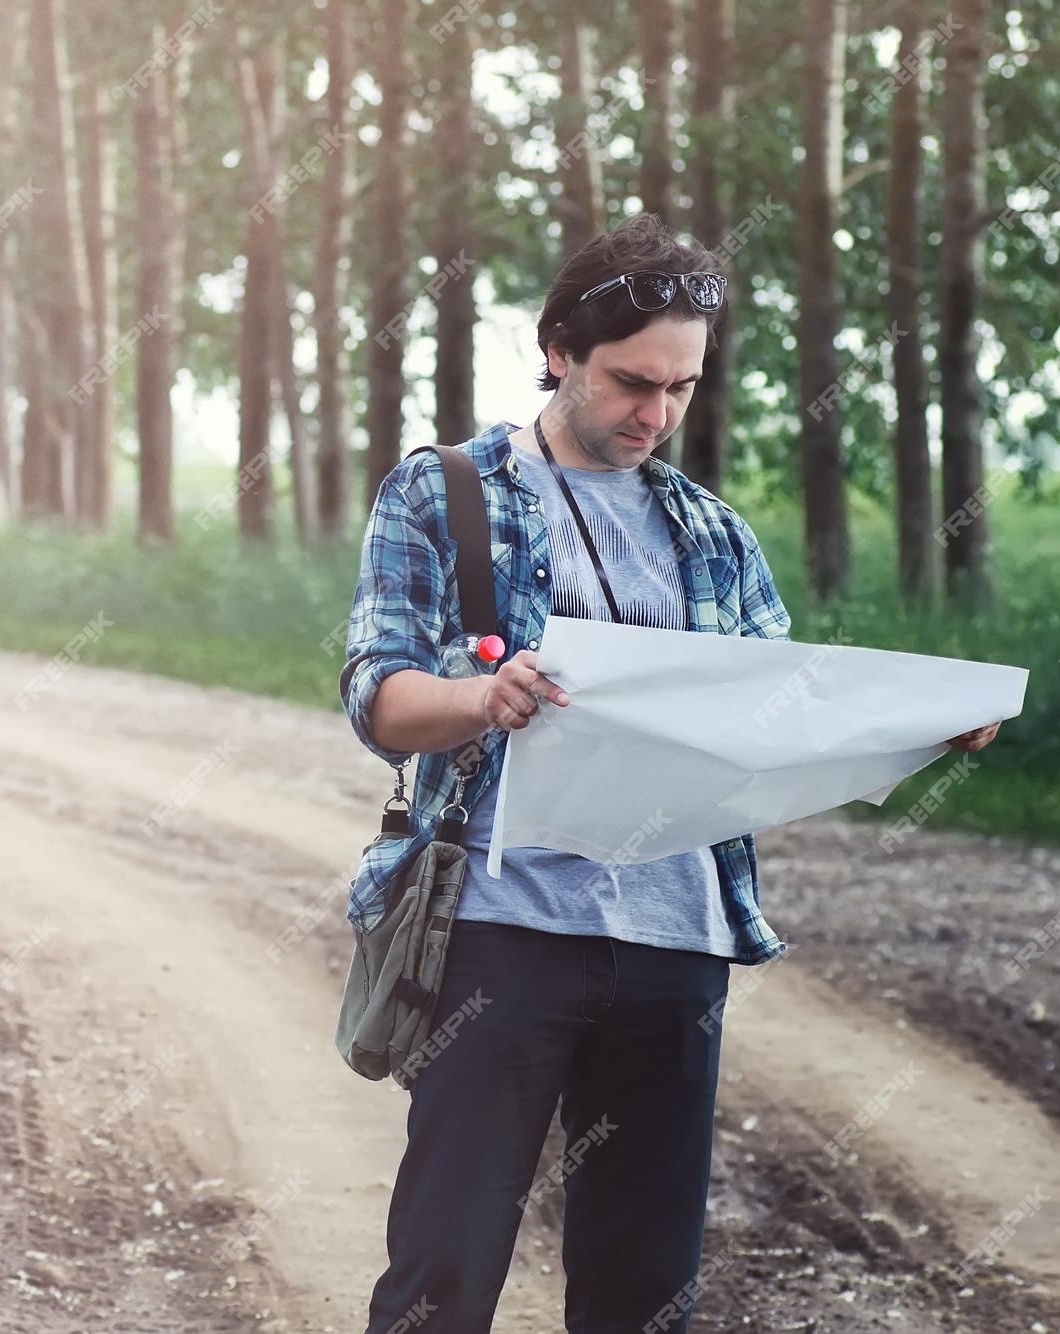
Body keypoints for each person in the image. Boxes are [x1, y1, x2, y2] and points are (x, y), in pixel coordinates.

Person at [337, 213, 1003, 1334]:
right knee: (440, 1274)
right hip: (501, 930)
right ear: (556, 349)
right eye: (628, 382)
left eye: (680, 387)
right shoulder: (445, 491)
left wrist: (918, 727)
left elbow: (780, 715)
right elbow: (378, 696)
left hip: (675, 942)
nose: (653, 414)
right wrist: (477, 701)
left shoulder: (710, 532)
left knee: (643, 1286)